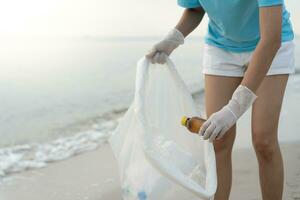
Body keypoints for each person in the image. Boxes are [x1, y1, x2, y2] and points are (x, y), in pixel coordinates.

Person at [145, 0, 295, 199]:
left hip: (271, 46)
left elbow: (271, 40)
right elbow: (196, 7)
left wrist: (235, 107)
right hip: (221, 48)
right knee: (217, 141)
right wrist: (174, 38)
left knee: (264, 141)